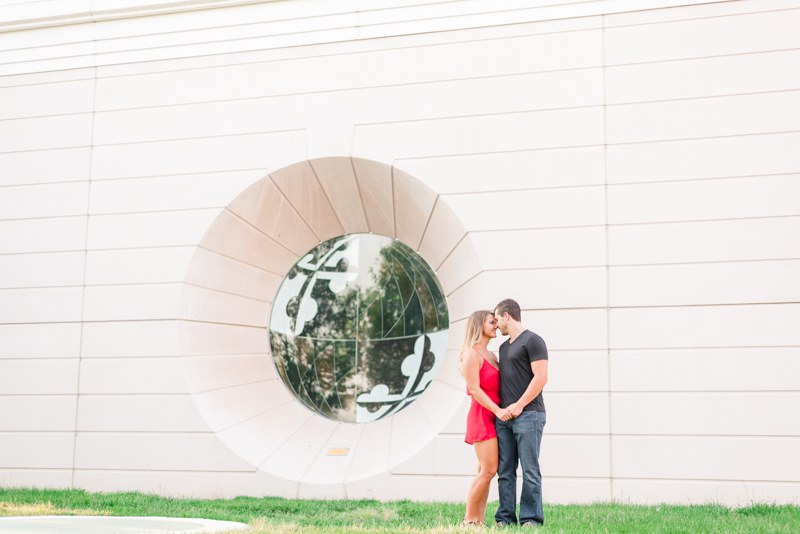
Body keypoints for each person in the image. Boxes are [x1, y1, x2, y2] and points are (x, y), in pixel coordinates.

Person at [493, 298, 549, 527]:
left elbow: (541, 377)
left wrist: (519, 405)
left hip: (529, 415)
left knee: (530, 470)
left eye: (496, 319)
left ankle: (530, 520)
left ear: (507, 315)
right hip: (504, 418)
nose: (495, 325)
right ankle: (504, 518)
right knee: (505, 471)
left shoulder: (533, 341)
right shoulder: (504, 346)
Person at [460, 310, 512, 526]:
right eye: (492, 322)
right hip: (482, 415)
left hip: (494, 415)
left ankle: (479, 521)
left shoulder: (492, 355)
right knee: (489, 470)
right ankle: (468, 521)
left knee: (485, 471)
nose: (496, 325)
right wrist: (498, 411)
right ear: (479, 325)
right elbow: (475, 389)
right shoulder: (472, 354)